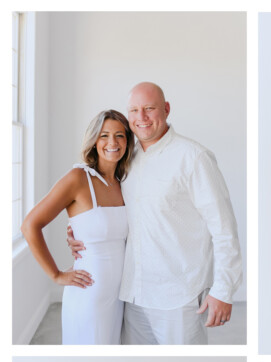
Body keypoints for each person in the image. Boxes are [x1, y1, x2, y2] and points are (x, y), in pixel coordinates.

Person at [70, 82, 243, 344]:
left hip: (180, 297)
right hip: (132, 294)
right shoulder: (125, 159)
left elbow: (224, 229)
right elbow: (104, 203)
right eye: (135, 110)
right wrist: (77, 231)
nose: (141, 118)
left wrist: (223, 290)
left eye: (150, 109)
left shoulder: (194, 158)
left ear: (167, 109)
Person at [22, 110, 133, 344]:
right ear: (94, 140)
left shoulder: (125, 182)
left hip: (120, 295)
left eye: (120, 136)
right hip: (89, 294)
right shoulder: (78, 178)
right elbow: (30, 224)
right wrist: (56, 274)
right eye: (104, 135)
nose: (112, 142)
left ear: (128, 141)